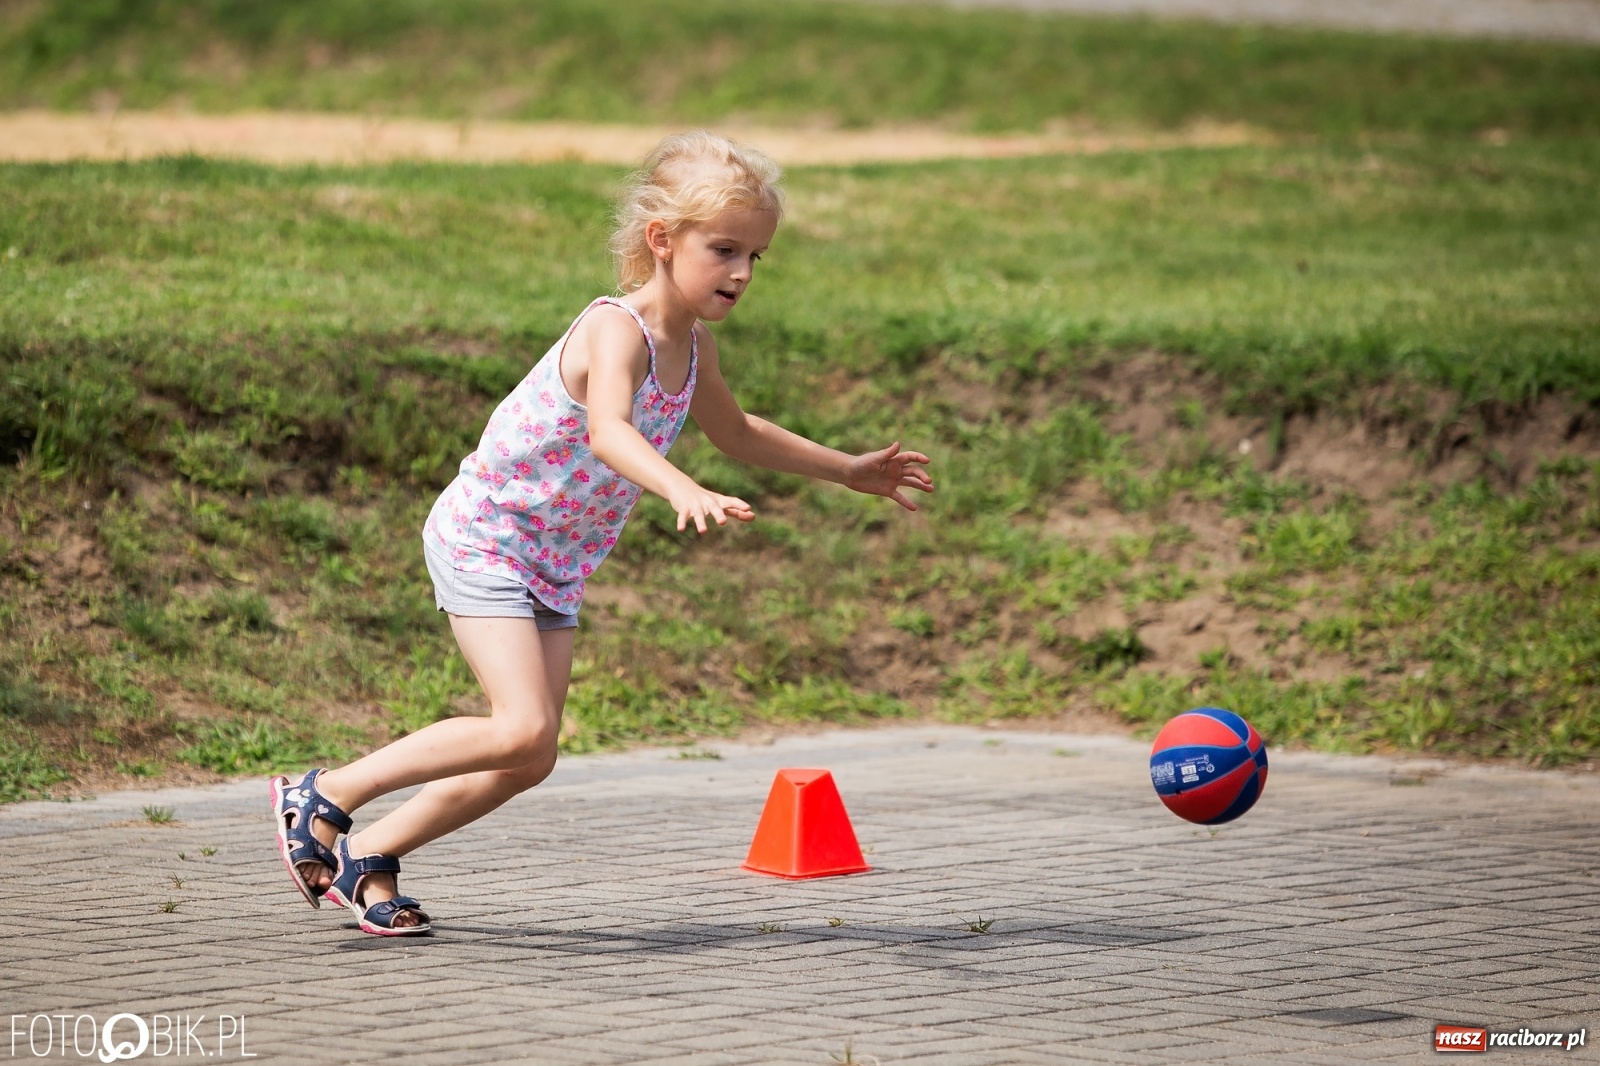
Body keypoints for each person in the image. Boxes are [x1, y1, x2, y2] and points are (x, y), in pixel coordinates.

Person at [271, 131, 934, 935]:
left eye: (757, 256)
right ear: (662, 240)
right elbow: (609, 433)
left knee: (531, 755)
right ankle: (328, 793)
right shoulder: (615, 328)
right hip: (491, 535)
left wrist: (848, 469)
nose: (741, 273)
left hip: (553, 561)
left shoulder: (695, 346)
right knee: (519, 725)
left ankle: (372, 852)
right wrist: (679, 485)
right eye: (724, 249)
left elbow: (739, 431)